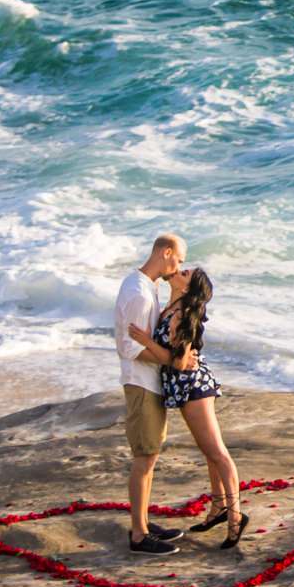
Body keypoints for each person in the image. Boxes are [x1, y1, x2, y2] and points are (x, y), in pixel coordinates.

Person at [154, 264, 247, 549]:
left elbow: (181, 361)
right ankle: (218, 509)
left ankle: (236, 517)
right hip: (186, 386)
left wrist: (142, 340)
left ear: (187, 287)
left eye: (185, 273)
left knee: (218, 453)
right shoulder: (171, 307)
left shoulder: (181, 314)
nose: (179, 270)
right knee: (209, 451)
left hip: (193, 386)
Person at [112, 234, 187, 555]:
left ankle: (142, 520)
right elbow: (129, 347)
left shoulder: (147, 287)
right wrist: (173, 360)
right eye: (180, 259)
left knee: (150, 455)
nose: (180, 265)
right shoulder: (139, 293)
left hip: (149, 381)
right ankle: (139, 535)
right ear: (166, 253)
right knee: (144, 458)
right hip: (141, 382)